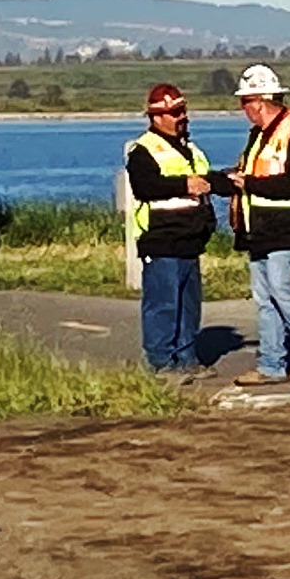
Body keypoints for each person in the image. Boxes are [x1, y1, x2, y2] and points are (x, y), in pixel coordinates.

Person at [206, 64, 290, 385]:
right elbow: (250, 174)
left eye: (244, 103)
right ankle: (272, 364)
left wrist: (249, 184)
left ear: (258, 101)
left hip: (288, 227)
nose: (242, 110)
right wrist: (219, 181)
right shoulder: (259, 135)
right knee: (265, 297)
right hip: (259, 230)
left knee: (280, 288)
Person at [124, 83, 214, 379]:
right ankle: (162, 362)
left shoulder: (189, 148)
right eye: (175, 113)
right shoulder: (143, 150)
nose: (181, 117)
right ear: (156, 117)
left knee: (189, 305)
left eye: (183, 111)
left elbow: (205, 182)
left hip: (190, 239)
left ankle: (187, 359)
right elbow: (145, 187)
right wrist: (183, 185)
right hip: (161, 239)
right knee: (162, 304)